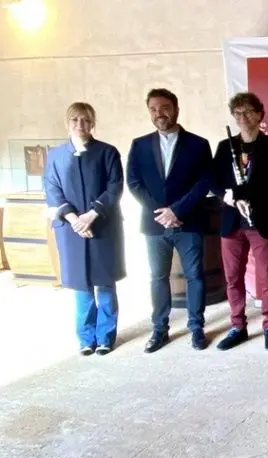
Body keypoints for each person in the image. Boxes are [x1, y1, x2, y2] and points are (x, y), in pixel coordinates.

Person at [127, 88, 214, 353]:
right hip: (155, 224)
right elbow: (134, 183)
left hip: (189, 222)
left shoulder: (198, 144)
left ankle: (196, 328)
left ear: (176, 109)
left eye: (164, 108)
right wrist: (162, 213)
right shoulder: (139, 145)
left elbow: (204, 182)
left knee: (195, 276)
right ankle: (159, 329)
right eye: (153, 109)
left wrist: (177, 211)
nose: (159, 113)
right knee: (157, 277)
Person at [44, 102, 126, 356]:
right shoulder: (55, 155)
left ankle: (106, 336)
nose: (80, 124)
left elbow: (114, 187)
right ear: (67, 122)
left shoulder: (107, 152)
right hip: (71, 230)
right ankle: (86, 338)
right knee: (82, 286)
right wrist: (74, 220)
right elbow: (52, 189)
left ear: (93, 123)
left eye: (85, 120)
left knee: (105, 283)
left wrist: (91, 216)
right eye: (75, 120)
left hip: (103, 225)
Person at [212, 92, 268, 351]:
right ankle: (237, 326)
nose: (242, 117)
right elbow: (214, 181)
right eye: (237, 113)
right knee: (233, 278)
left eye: (247, 112)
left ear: (259, 114)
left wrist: (240, 194)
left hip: (261, 220)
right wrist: (232, 199)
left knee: (266, 276)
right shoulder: (225, 146)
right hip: (232, 222)